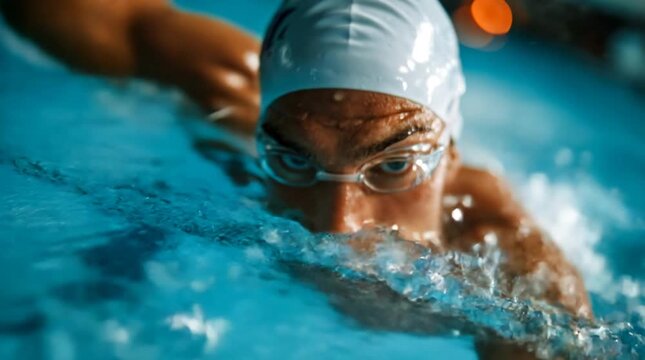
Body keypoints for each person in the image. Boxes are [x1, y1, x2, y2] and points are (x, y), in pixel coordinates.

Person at [1, 0, 592, 357]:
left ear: (452, 158)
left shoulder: (513, 260)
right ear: (263, 126)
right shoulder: (230, 102)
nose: (337, 225)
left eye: (391, 167)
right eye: (291, 159)